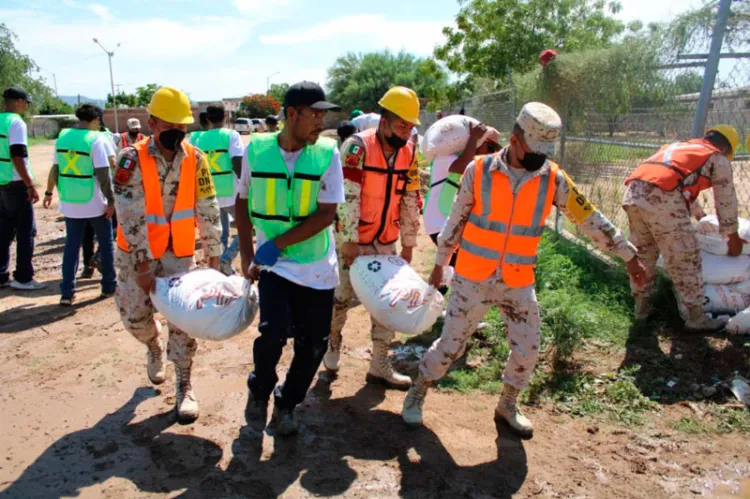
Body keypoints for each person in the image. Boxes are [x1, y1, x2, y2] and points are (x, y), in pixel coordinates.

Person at [402, 102, 647, 437]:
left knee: (528, 349)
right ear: (515, 140)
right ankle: (419, 390)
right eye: (536, 150)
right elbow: (455, 220)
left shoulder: (552, 178)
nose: (541, 158)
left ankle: (507, 403)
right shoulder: (479, 170)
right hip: (473, 278)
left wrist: (629, 256)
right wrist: (440, 263)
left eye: (546, 151)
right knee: (449, 347)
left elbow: (588, 218)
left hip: (517, 282)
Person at [237, 81, 344, 435]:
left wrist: (277, 243)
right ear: (292, 114)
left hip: (315, 266)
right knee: (272, 334)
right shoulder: (256, 151)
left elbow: (326, 214)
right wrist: (248, 254)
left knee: (314, 343)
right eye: (315, 115)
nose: (320, 122)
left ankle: (288, 402)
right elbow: (241, 202)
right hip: (274, 266)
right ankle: (261, 386)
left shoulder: (328, 154)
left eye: (323, 115)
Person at [113, 86, 222, 424]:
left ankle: (184, 382)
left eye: (183, 126)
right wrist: (144, 262)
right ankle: (152, 346)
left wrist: (214, 252)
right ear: (152, 122)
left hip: (180, 255)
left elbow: (207, 204)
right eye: (170, 125)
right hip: (136, 256)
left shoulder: (196, 158)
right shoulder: (130, 159)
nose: (177, 132)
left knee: (183, 320)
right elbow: (128, 212)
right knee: (134, 317)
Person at [325, 86, 422, 390]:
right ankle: (333, 342)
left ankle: (379, 363)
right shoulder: (357, 147)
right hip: (354, 239)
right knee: (341, 298)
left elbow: (409, 197)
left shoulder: (410, 152)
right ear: (384, 120)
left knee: (387, 304)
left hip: (385, 242)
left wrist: (408, 243)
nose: (405, 132)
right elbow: (347, 197)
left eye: (410, 126)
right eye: (400, 125)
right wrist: (349, 239)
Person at [622, 125, 742, 333]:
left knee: (644, 255)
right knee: (685, 256)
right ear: (726, 148)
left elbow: (676, 180)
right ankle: (696, 317)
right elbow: (725, 198)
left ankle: (641, 311)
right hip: (662, 197)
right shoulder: (717, 157)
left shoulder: (682, 148)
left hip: (634, 193)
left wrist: (700, 216)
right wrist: (731, 234)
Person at [42, 104, 117, 305]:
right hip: (94, 202)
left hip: (70, 201)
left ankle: (67, 291)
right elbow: (103, 174)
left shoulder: (62, 137)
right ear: (95, 120)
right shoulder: (96, 139)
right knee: (107, 242)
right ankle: (109, 286)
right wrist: (111, 200)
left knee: (71, 246)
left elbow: (56, 169)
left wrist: (54, 192)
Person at [423, 122, 500, 293]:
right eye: (490, 147)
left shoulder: (461, 162)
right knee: (457, 265)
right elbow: (464, 165)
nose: (491, 153)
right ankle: (434, 306)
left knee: (449, 265)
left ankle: (429, 305)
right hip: (438, 222)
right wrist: (473, 138)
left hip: (444, 221)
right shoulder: (446, 159)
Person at [0, 86, 45, 291]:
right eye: (26, 102)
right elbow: (17, 155)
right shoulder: (16, 122)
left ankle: (1, 274)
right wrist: (30, 185)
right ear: (18, 101)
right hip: (16, 184)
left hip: (1, 183)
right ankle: (24, 277)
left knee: (3, 231)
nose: (26, 106)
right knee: (26, 232)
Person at [194, 104, 244, 275]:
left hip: (211, 192)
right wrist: (247, 187)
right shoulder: (231, 135)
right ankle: (226, 259)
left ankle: (224, 270)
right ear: (225, 117)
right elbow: (237, 161)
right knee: (246, 227)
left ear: (208, 119)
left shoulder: (200, 139)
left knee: (221, 233)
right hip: (231, 192)